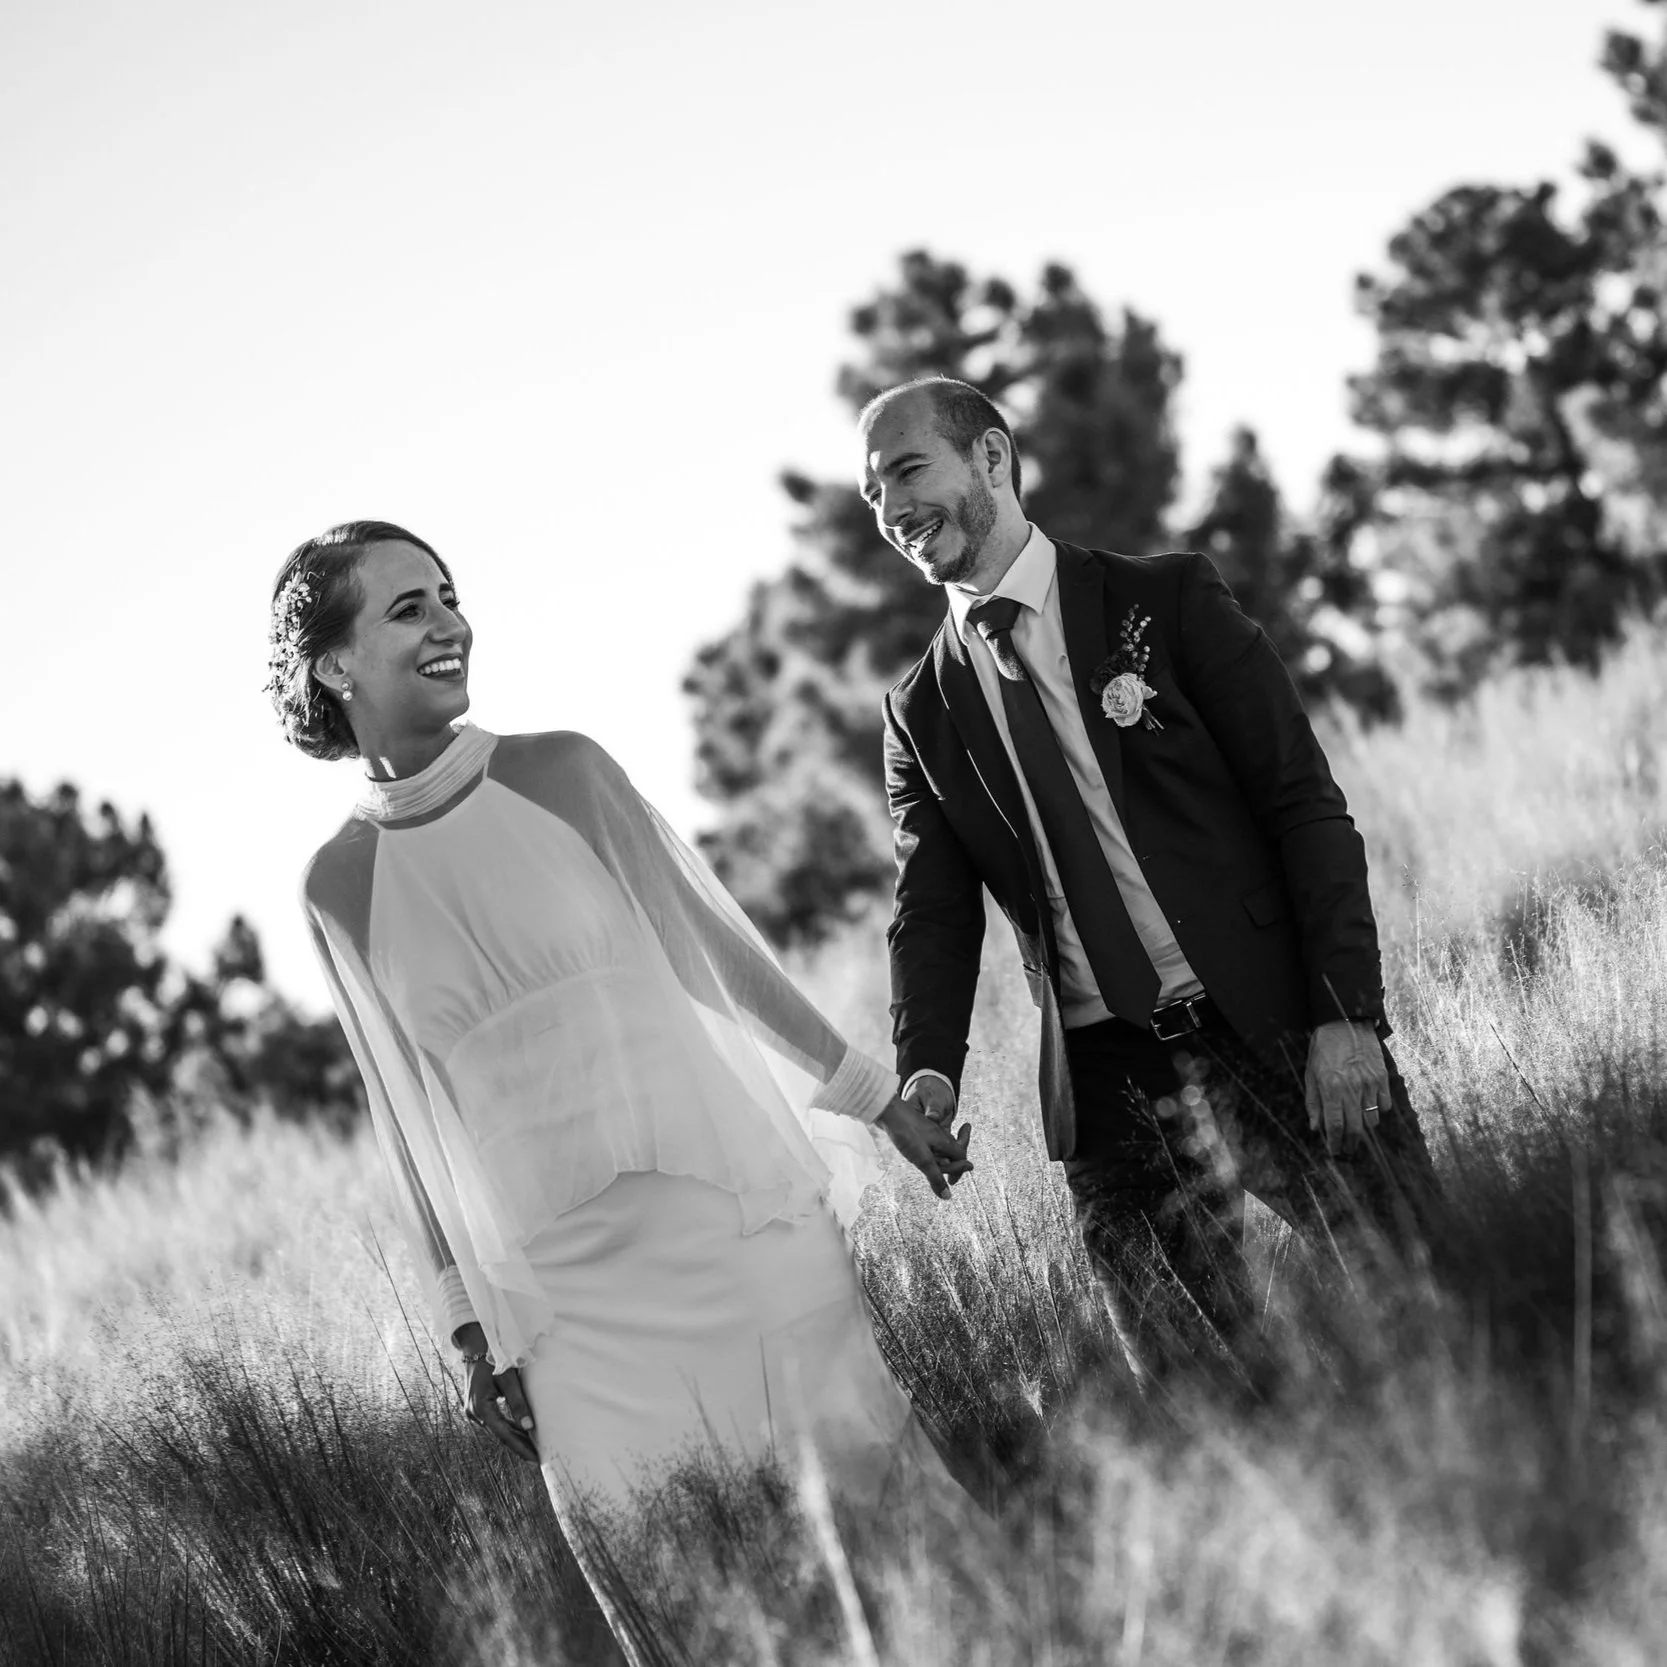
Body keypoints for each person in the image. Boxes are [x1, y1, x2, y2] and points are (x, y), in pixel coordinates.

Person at [265, 520, 968, 1652]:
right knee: (676, 1595)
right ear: (334, 664)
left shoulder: (563, 771)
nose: (451, 624)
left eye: (449, 596)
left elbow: (715, 956)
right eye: (408, 608)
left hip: (736, 1236)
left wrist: (872, 1094)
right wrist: (467, 1327)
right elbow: (405, 1119)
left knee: (885, 1534)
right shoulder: (336, 882)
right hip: (570, 1308)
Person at [863, 378, 1439, 1380]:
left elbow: (1302, 804)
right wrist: (926, 1067)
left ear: (991, 457)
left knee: (1424, 1291)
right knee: (1190, 1380)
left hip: (1268, 1023)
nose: (891, 509)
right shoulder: (920, 709)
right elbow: (931, 912)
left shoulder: (1163, 601)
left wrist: (1346, 1014)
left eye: (908, 470)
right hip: (1104, 1077)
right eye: (871, 493)